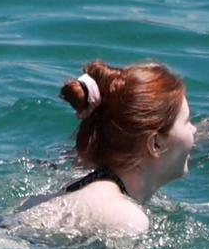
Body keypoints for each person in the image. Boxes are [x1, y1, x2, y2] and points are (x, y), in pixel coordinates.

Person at [13, 59, 195, 238]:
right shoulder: (127, 218)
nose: (194, 130)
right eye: (187, 121)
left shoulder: (84, 186)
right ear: (155, 143)